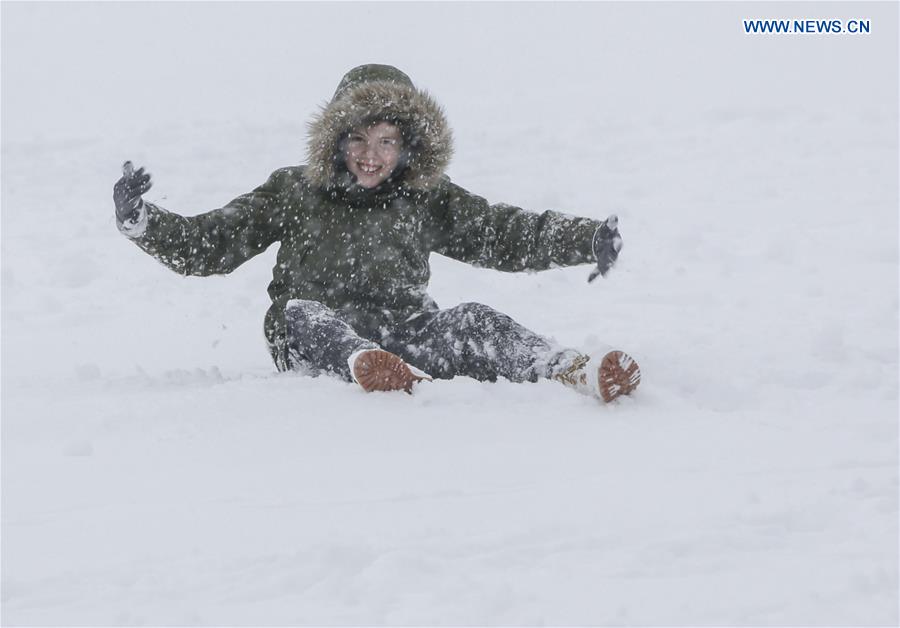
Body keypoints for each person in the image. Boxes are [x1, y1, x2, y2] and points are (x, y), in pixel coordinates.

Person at [113, 64, 641, 402]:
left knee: (473, 320)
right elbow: (212, 245)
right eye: (360, 139)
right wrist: (143, 220)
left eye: (388, 141)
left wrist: (584, 237)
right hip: (316, 337)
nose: (372, 155)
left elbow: (502, 233)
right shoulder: (295, 190)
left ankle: (568, 368)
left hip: (407, 330)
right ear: (336, 141)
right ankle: (366, 366)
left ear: (408, 148)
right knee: (300, 313)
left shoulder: (426, 196)